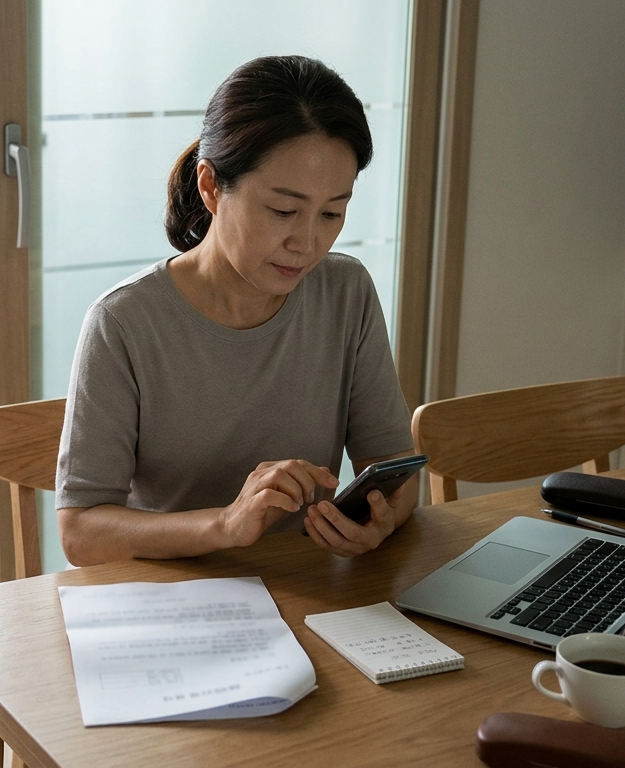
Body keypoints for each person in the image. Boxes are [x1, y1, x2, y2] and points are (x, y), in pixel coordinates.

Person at [54, 55, 417, 567]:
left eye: (333, 212)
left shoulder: (346, 290)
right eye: (283, 211)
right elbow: (81, 531)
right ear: (211, 187)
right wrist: (227, 523)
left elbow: (396, 468)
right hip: (171, 598)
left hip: (310, 587)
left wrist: (380, 519)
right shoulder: (124, 322)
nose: (307, 242)